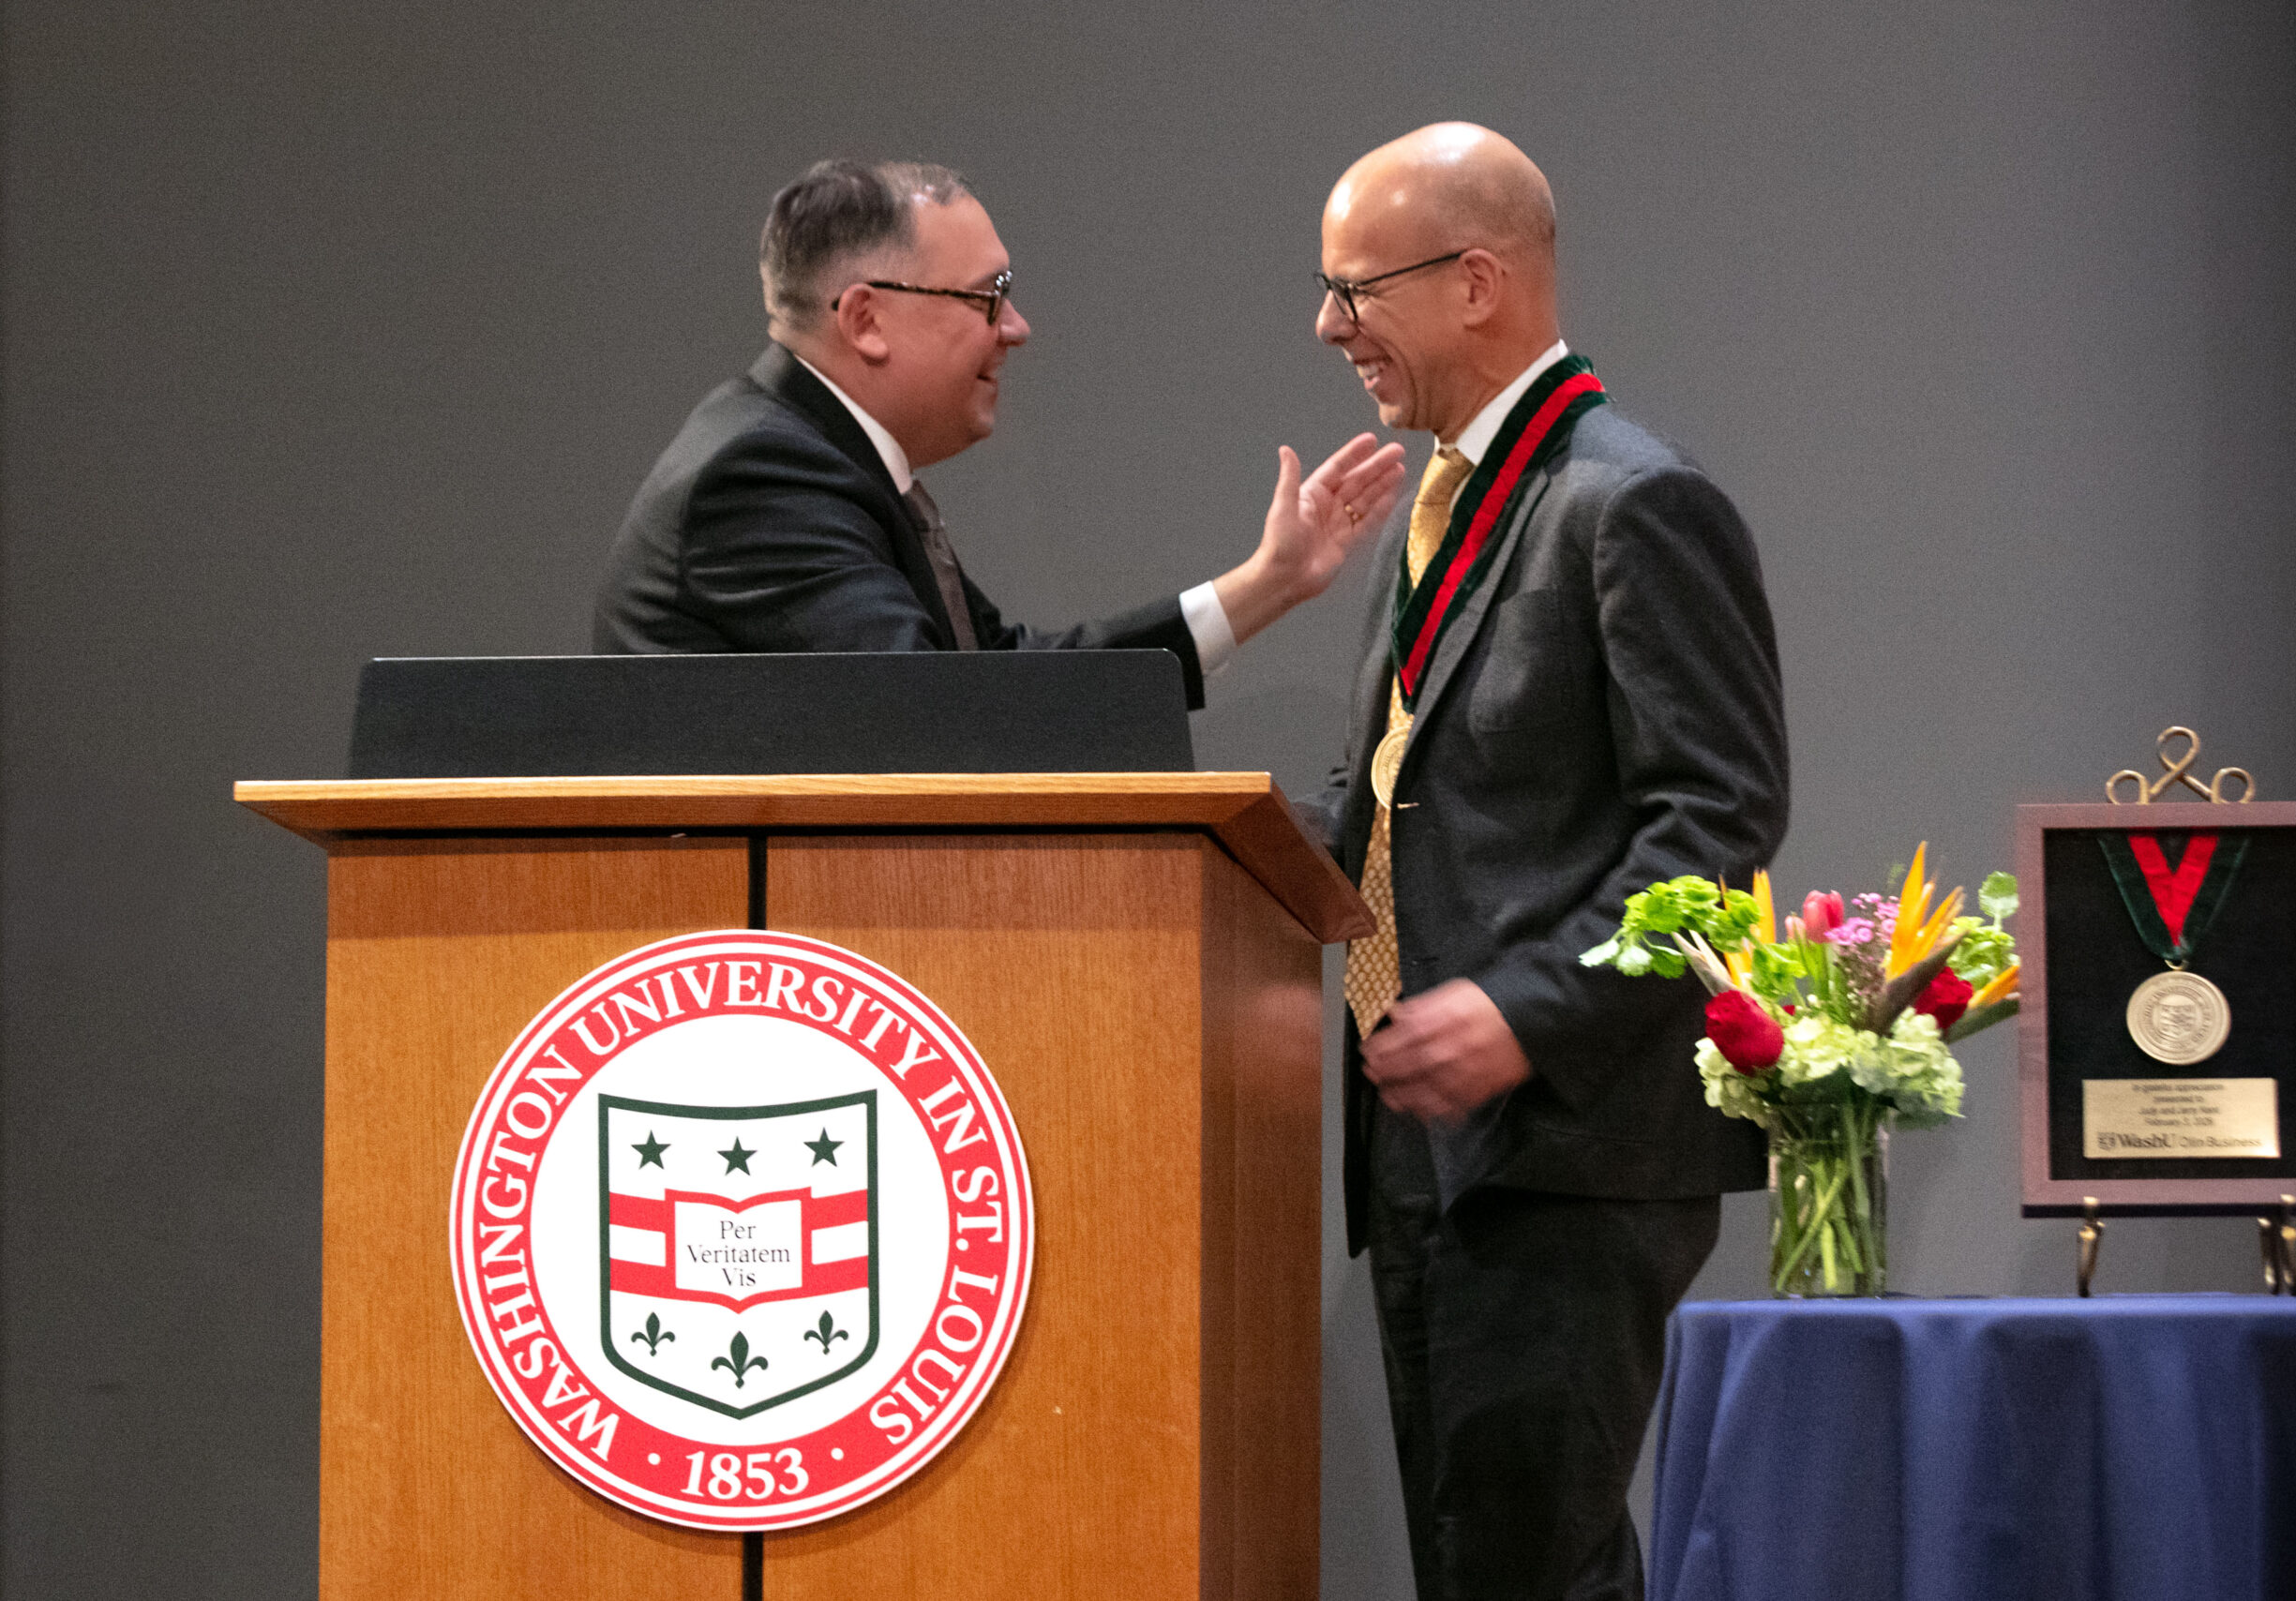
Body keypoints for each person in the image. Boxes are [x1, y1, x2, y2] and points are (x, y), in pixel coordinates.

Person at [1300, 124, 1789, 1600]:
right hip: (1424, 1146)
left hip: (1566, 1151)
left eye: (1353, 288)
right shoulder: (1453, 498)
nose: (1329, 327)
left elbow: (1717, 825)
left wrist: (1523, 1010)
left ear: (1477, 283)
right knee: (1483, 1564)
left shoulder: (1632, 501)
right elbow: (1388, 789)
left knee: (1529, 1569)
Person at [593, 159, 1404, 701]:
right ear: (866, 319)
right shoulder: (764, 478)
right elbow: (944, 718)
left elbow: (998, 683)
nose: (1015, 328)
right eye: (988, 297)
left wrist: (1270, 582)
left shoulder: (820, 457)